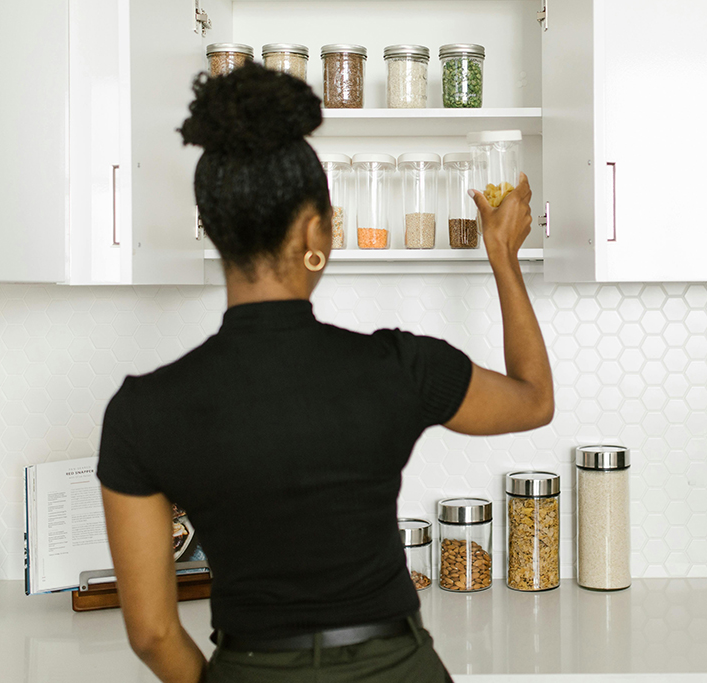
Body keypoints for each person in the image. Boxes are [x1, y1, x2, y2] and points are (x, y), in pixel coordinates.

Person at [97, 63, 553, 683]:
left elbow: (151, 633)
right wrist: (502, 253)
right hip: (397, 666)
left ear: (214, 229)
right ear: (317, 231)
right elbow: (533, 400)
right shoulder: (398, 366)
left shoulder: (140, 411)